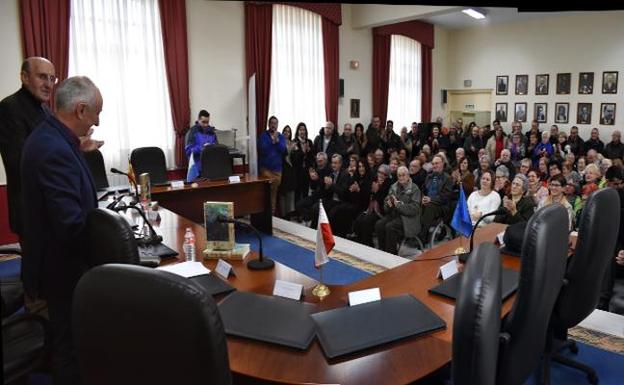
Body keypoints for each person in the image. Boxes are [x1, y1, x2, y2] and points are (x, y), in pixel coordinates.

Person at [21, 76, 103, 384]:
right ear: (81, 110)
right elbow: (70, 226)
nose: (97, 121)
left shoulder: (53, 137)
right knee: (70, 348)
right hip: (62, 272)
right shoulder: (54, 148)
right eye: (96, 113)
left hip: (55, 264)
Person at [2, 57, 95, 236]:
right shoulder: (9, 108)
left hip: (52, 206)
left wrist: (77, 145)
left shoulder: (45, 109)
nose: (49, 84)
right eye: (42, 77)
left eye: (52, 79)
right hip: (31, 208)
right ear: (24, 77)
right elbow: (19, 163)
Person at [374, 166, 421, 254]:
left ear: (408, 176)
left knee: (390, 226)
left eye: (403, 175)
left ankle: (391, 254)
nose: (401, 178)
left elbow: (414, 209)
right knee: (379, 224)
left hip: (408, 219)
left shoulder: (415, 189)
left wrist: (398, 205)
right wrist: (388, 204)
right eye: (399, 175)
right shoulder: (393, 187)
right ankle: (383, 251)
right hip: (395, 215)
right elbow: (386, 206)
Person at [417, 155, 454, 244]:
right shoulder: (428, 176)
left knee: (430, 207)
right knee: (416, 204)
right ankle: (413, 234)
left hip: (441, 206)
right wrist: (422, 198)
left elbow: (445, 196)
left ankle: (422, 238)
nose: (434, 165)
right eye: (433, 164)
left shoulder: (448, 178)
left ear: (442, 164)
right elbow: (423, 190)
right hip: (429, 203)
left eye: (437, 163)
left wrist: (431, 199)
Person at [258, 116, 287, 213]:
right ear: (268, 124)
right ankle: (264, 212)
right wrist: (272, 142)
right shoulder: (263, 135)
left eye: (275, 123)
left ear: (277, 125)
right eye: (272, 123)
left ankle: (272, 214)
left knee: (273, 193)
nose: (273, 125)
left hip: (277, 170)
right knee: (266, 192)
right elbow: (262, 149)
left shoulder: (281, 136)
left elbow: (283, 150)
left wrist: (277, 142)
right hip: (266, 169)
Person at [184, 110, 218, 177]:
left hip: (211, 168)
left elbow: (217, 148)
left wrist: (212, 147)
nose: (206, 124)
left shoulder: (212, 132)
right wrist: (203, 148)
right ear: (198, 120)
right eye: (203, 122)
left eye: (207, 122)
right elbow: (188, 151)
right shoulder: (192, 132)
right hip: (197, 169)